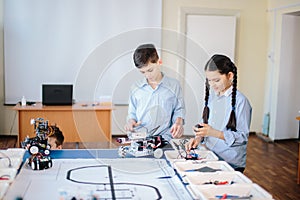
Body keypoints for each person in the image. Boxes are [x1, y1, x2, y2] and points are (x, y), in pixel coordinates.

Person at [186, 54, 252, 172]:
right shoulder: (212, 98)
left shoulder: (241, 102)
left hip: (230, 163)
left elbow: (242, 137)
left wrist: (213, 132)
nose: (212, 85)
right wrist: (198, 137)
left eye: (216, 80)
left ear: (230, 76)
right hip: (210, 156)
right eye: (209, 81)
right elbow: (206, 123)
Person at [124, 43, 185, 141]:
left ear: (159, 62)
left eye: (150, 70)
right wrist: (130, 122)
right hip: (140, 138)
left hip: (165, 138)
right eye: (143, 72)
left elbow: (179, 109)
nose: (147, 75)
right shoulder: (135, 88)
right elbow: (132, 113)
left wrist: (178, 122)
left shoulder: (174, 86)